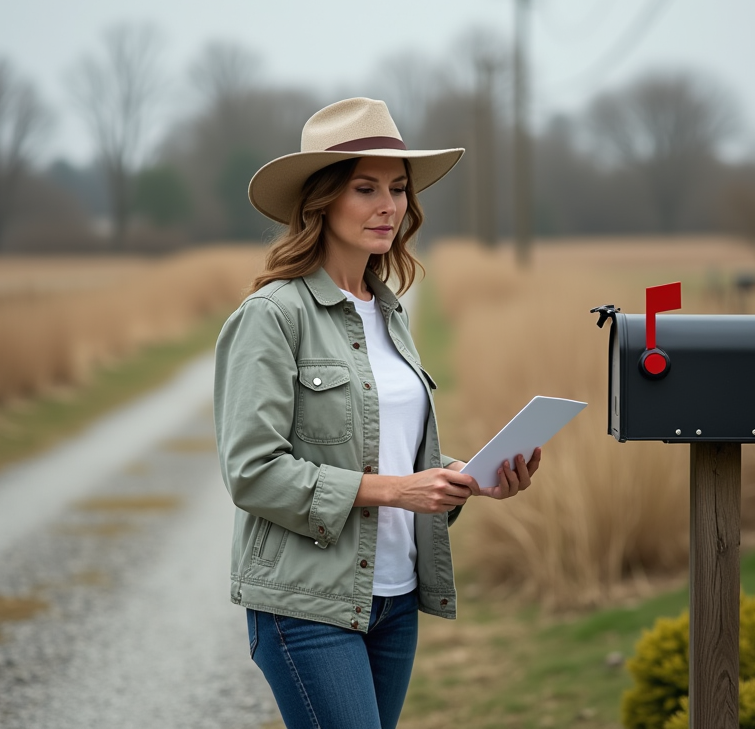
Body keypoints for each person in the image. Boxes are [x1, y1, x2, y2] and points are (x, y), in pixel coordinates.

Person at [214, 97, 541, 729]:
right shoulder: (273, 317)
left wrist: (467, 476)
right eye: (366, 188)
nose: (389, 205)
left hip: (393, 599)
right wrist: (399, 490)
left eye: (398, 188)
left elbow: (384, 449)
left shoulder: (390, 315)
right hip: (307, 607)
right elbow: (252, 473)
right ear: (320, 201)